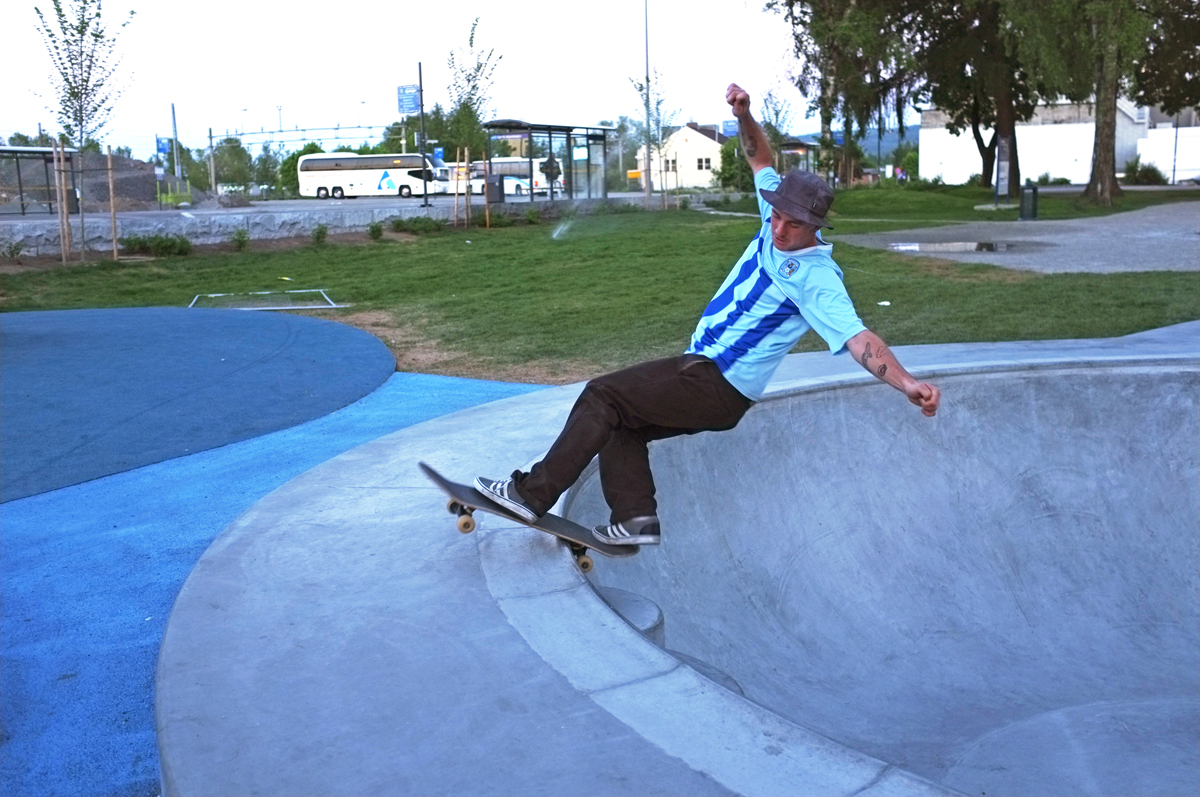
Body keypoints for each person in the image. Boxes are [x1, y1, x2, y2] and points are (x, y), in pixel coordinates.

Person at [476, 82, 940, 547]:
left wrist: (907, 383)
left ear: (814, 226)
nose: (779, 229)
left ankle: (531, 494)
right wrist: (742, 115)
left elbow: (860, 340)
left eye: (793, 225)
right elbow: (760, 159)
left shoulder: (817, 277)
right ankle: (635, 521)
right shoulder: (774, 210)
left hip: (717, 381)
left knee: (603, 396)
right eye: (777, 217)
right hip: (707, 375)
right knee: (621, 421)